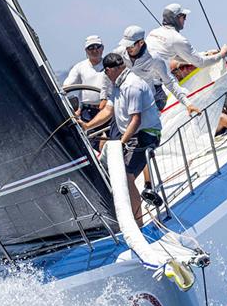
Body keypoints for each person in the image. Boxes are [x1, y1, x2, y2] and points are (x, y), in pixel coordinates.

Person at [82, 53, 162, 226]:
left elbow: (136, 120)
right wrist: (86, 126)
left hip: (145, 135)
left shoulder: (132, 85)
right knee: (109, 169)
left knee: (126, 175)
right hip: (132, 135)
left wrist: (121, 144)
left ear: (110, 70)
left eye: (106, 72)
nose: (106, 75)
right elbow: (108, 111)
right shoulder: (118, 84)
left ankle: (138, 223)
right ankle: (120, 216)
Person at [112, 25, 200, 116]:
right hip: (126, 102)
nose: (127, 48)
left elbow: (170, 82)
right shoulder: (119, 53)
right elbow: (107, 72)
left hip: (147, 103)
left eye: (130, 45)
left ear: (141, 42)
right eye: (126, 44)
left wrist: (188, 104)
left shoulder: (154, 58)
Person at [146, 3, 227, 70]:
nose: (185, 19)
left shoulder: (153, 33)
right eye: (184, 16)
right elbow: (200, 63)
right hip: (154, 83)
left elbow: (181, 57)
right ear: (177, 18)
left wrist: (207, 53)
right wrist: (222, 54)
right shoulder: (178, 39)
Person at [62, 35, 108, 122]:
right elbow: (67, 86)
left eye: (97, 46)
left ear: (102, 48)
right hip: (87, 111)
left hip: (108, 109)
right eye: (90, 48)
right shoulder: (80, 67)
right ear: (86, 50)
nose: (95, 50)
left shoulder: (110, 65)